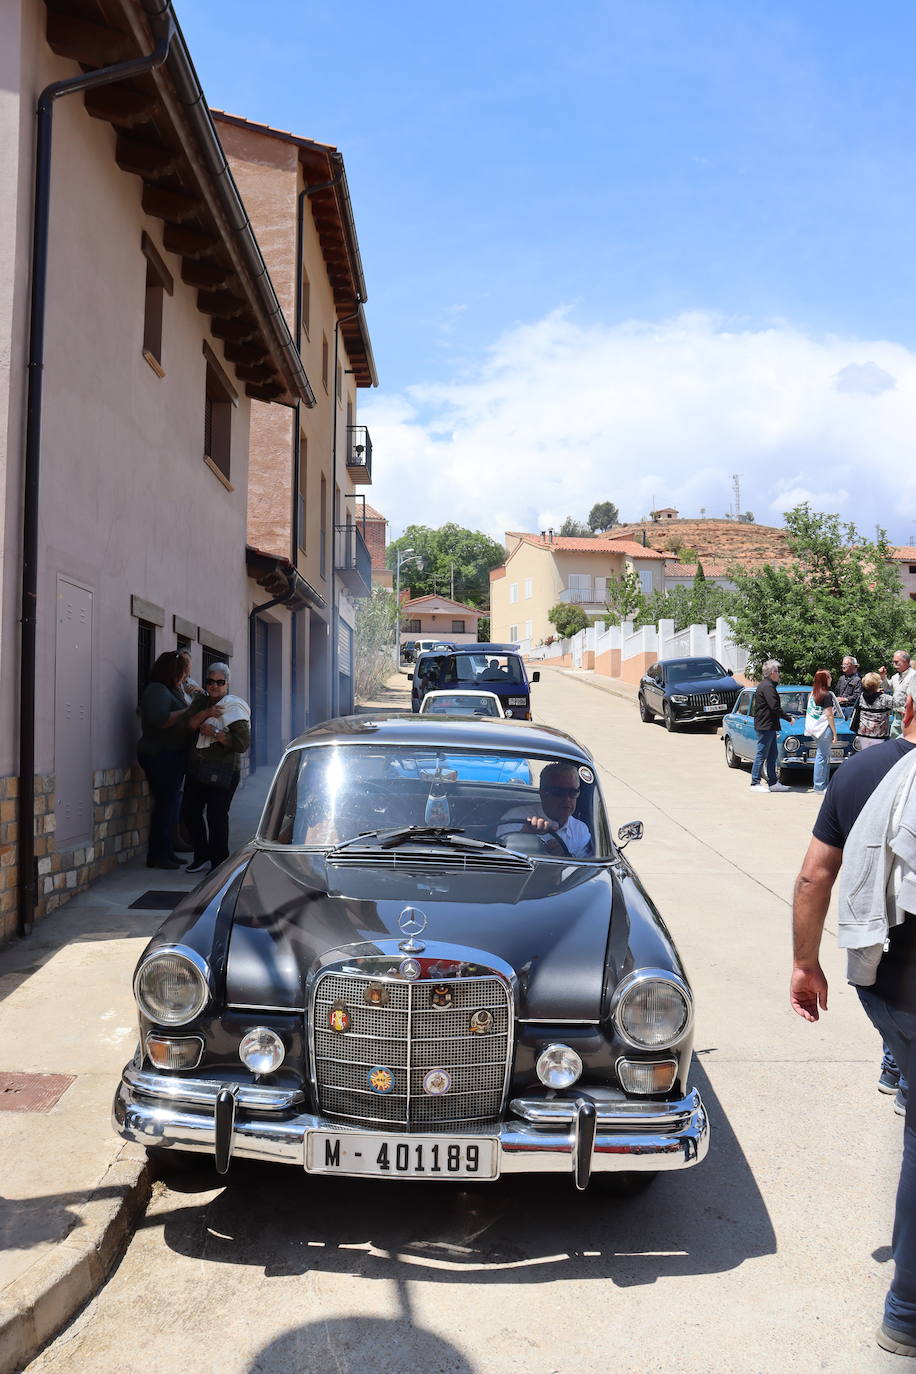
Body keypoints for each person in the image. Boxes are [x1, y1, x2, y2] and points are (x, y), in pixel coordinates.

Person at [790, 725, 916, 1356]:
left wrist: (805, 963)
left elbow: (816, 876)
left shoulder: (859, 774)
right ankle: (906, 1312)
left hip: (886, 985)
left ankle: (906, 1313)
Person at [137, 650, 221, 869]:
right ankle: (157, 855)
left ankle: (168, 849)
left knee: (171, 804)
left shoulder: (173, 689)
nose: (187, 674)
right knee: (165, 805)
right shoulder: (156, 690)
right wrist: (189, 710)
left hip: (172, 754)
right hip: (159, 755)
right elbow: (161, 720)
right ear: (175, 670)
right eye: (185, 670)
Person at [183, 663, 251, 874]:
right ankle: (201, 856)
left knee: (216, 816)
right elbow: (189, 725)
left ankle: (219, 863)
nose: (214, 686)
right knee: (190, 812)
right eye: (210, 681)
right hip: (196, 768)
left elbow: (242, 744)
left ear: (227, 685)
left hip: (223, 770)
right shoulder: (201, 702)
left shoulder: (233, 707)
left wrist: (216, 733)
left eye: (219, 682)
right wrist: (208, 713)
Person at [497, 761, 593, 857]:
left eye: (573, 792)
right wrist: (523, 835)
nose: (567, 799)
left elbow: (587, 868)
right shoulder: (514, 818)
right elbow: (501, 856)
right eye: (559, 792)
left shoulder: (580, 830)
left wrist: (566, 856)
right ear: (543, 794)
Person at [750, 659, 792, 792]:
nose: (779, 674)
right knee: (761, 754)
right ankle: (754, 783)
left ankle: (773, 783)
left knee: (773, 754)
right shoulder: (767, 686)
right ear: (772, 672)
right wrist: (788, 718)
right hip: (765, 725)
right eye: (777, 671)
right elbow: (774, 707)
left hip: (770, 725)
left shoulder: (768, 685)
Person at [805, 670, 839, 793]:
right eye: (829, 677)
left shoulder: (812, 694)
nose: (831, 679)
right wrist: (835, 733)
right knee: (822, 756)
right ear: (824, 679)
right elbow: (829, 715)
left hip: (813, 729)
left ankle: (823, 784)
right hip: (823, 729)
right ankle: (820, 786)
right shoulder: (827, 695)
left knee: (823, 756)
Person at [851, 672, 894, 751]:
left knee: (864, 756)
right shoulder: (886, 699)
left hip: (863, 734)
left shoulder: (861, 697)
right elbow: (898, 706)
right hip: (879, 735)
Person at [883, 652, 916, 739]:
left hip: (911, 717)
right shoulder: (895, 677)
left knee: (910, 741)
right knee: (894, 739)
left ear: (905, 662)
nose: (894, 664)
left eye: (896, 662)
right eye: (893, 662)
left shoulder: (914, 675)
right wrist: (883, 677)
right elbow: (887, 687)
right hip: (897, 716)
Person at [836, 655, 863, 721]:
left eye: (846, 664)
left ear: (853, 666)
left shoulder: (858, 680)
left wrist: (844, 699)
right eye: (843, 664)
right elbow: (836, 692)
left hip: (850, 709)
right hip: (839, 708)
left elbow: (857, 696)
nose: (843, 666)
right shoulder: (841, 678)